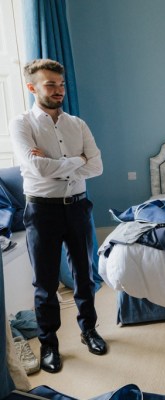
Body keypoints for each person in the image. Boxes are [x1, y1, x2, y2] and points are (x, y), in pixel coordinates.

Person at [9, 59, 106, 373]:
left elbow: (97, 167)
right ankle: (49, 345)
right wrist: (76, 161)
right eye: (50, 84)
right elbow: (36, 168)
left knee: (84, 275)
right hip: (42, 210)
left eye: (60, 84)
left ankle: (89, 330)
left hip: (77, 207)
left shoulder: (77, 124)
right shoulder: (22, 124)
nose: (58, 90)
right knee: (45, 283)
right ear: (32, 87)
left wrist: (58, 163)